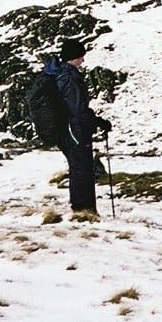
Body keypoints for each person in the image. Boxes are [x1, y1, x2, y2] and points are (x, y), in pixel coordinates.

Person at [47, 38, 110, 218]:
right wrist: (96, 121)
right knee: (82, 169)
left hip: (71, 129)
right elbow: (77, 108)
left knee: (80, 168)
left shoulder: (62, 75)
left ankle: (83, 210)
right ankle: (83, 211)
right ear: (73, 57)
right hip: (75, 130)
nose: (82, 60)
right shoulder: (70, 77)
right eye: (80, 56)